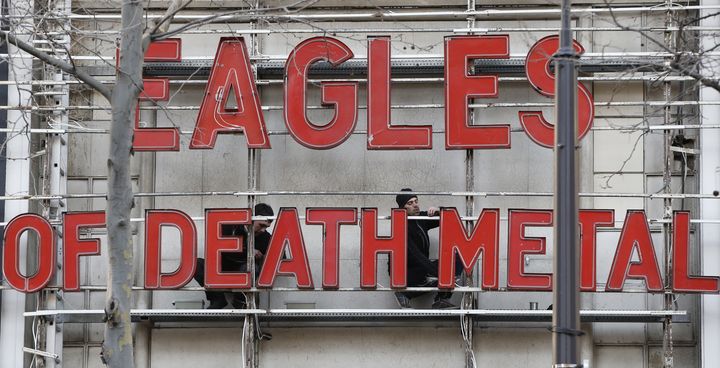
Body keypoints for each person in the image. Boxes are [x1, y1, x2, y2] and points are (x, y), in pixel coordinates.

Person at [194, 203, 274, 309]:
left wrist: (265, 257)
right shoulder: (231, 226)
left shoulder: (265, 237)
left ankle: (240, 300)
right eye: (261, 225)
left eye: (267, 227)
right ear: (251, 218)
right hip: (220, 270)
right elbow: (222, 247)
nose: (263, 230)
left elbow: (281, 259)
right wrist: (249, 251)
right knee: (195, 264)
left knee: (253, 267)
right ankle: (217, 299)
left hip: (241, 272)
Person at [392, 188, 459, 309]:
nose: (415, 205)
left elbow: (452, 216)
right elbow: (415, 255)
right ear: (403, 208)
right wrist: (438, 272)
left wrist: (439, 210)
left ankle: (441, 299)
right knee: (443, 273)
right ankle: (403, 293)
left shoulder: (421, 218)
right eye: (410, 203)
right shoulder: (401, 226)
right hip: (407, 272)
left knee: (458, 259)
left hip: (423, 269)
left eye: (416, 201)